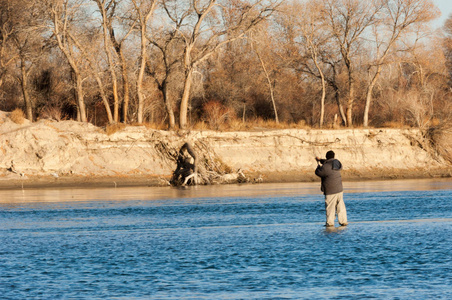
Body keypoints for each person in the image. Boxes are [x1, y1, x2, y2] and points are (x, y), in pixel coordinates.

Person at [315, 150, 348, 227]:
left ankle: (330, 223)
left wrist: (318, 166)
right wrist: (320, 160)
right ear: (333, 156)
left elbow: (319, 172)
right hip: (339, 189)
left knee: (330, 207)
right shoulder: (337, 163)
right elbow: (327, 163)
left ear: (326, 157)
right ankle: (343, 221)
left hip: (330, 190)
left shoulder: (326, 166)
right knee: (340, 206)